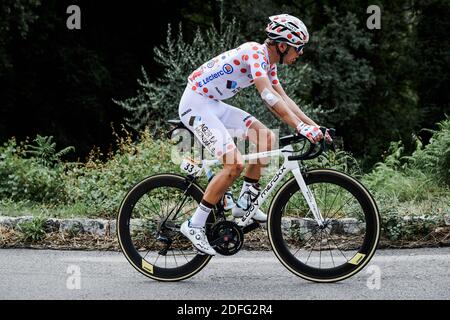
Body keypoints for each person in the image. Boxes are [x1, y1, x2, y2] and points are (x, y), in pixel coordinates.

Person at [178, 14, 332, 255]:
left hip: (213, 103)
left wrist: (314, 126)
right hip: (196, 104)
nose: (300, 54)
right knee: (234, 164)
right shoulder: (254, 52)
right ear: (282, 45)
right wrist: (299, 128)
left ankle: (244, 203)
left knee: (266, 137)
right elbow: (268, 97)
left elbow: (283, 98)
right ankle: (194, 224)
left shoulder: (268, 63)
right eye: (298, 48)